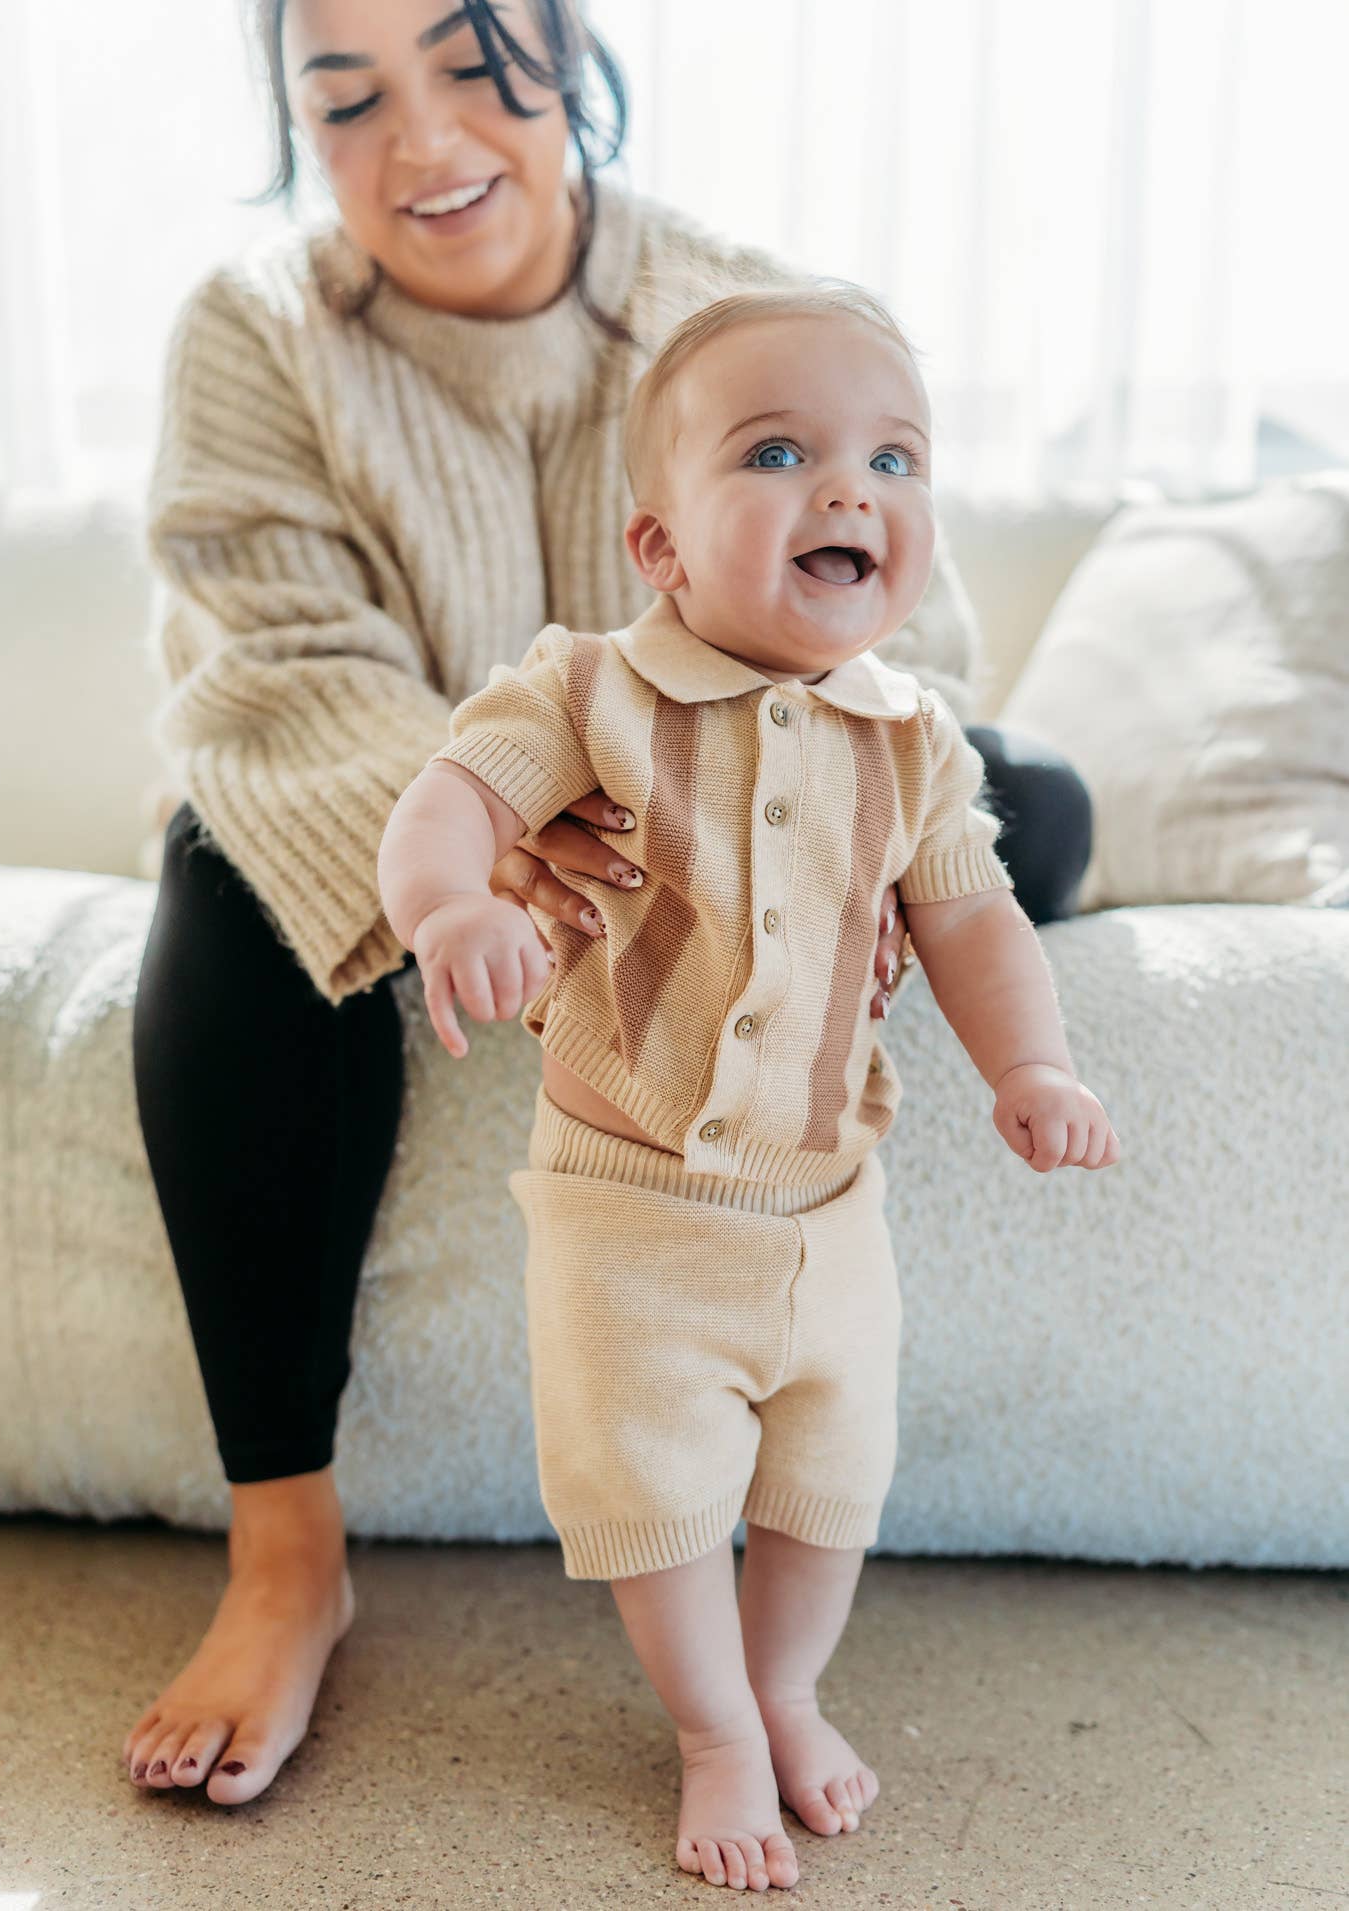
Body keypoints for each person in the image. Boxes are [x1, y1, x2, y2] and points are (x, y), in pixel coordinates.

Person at [125, 0, 1093, 1810]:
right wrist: (498, 842)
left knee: (1025, 798)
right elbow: (284, 668)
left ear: (570, 65)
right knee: (219, 860)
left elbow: (898, 639)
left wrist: (824, 831)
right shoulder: (256, 335)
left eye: (473, 70)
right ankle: (285, 1557)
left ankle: (765, 1687)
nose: (421, 145)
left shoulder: (741, 306)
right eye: (343, 103)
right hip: (463, 789)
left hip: (755, 801)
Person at [377, 284, 1121, 1893]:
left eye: (894, 458)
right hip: (630, 1208)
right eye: (780, 452)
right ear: (658, 548)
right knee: (652, 1498)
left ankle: (786, 1690)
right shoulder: (592, 692)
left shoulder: (913, 740)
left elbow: (977, 921)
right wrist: (451, 907)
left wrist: (1033, 1062)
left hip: (822, 1206)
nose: (851, 489)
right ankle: (714, 1731)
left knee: (826, 1484)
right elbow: (448, 794)